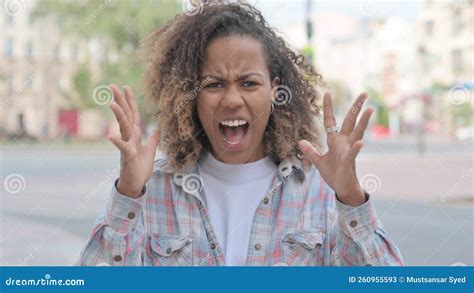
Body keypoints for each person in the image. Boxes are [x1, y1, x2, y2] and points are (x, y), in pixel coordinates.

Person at [77, 2, 403, 266]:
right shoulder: (151, 191)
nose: (232, 100)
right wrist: (129, 193)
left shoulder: (320, 190)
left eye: (249, 83)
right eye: (214, 84)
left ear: (275, 91)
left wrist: (350, 199)